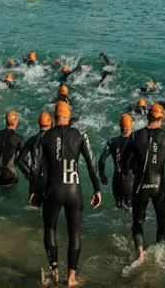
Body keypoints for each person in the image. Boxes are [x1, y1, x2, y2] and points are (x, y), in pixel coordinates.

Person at [30, 102, 101, 287]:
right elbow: (91, 165)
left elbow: (35, 168)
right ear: (68, 116)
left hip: (52, 191)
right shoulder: (80, 135)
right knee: (75, 233)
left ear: (54, 117)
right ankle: (71, 279)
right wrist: (97, 189)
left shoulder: (45, 136)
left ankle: (54, 271)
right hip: (73, 190)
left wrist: (34, 192)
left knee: (50, 229)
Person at [120, 103, 165, 265]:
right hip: (160, 187)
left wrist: (132, 169)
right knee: (162, 222)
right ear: (162, 118)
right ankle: (159, 257)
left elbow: (123, 162)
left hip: (140, 186)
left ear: (147, 117)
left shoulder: (135, 136)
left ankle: (140, 254)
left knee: (138, 222)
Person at [98, 114, 136, 210]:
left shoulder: (112, 142)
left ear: (120, 126)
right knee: (133, 213)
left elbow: (102, 160)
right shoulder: (136, 141)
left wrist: (102, 175)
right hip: (131, 183)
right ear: (131, 126)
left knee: (120, 211)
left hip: (117, 183)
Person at [17, 112, 53, 208]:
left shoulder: (32, 140)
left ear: (39, 124)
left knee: (35, 210)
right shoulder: (54, 139)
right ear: (51, 122)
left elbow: (19, 160)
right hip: (50, 180)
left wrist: (28, 174)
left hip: (35, 181)